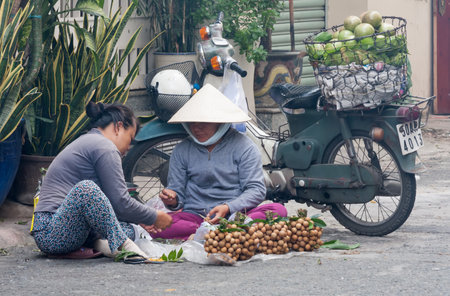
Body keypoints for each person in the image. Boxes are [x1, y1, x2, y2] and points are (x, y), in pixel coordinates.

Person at [32, 101, 172, 259]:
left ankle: (98, 243)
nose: (129, 147)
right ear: (118, 127)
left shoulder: (91, 141)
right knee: (86, 189)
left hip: (74, 230)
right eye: (130, 139)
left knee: (131, 230)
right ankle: (124, 246)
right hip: (51, 232)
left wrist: (139, 220)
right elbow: (120, 202)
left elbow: (106, 206)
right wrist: (154, 216)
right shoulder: (104, 146)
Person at [148, 84, 287, 240]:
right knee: (156, 224)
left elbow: (256, 190)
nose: (196, 128)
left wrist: (228, 207)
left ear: (221, 122)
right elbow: (176, 193)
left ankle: (215, 232)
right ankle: (222, 233)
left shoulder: (245, 147)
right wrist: (172, 200)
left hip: (236, 216)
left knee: (278, 210)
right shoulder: (182, 150)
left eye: (203, 123)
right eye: (192, 123)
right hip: (195, 217)